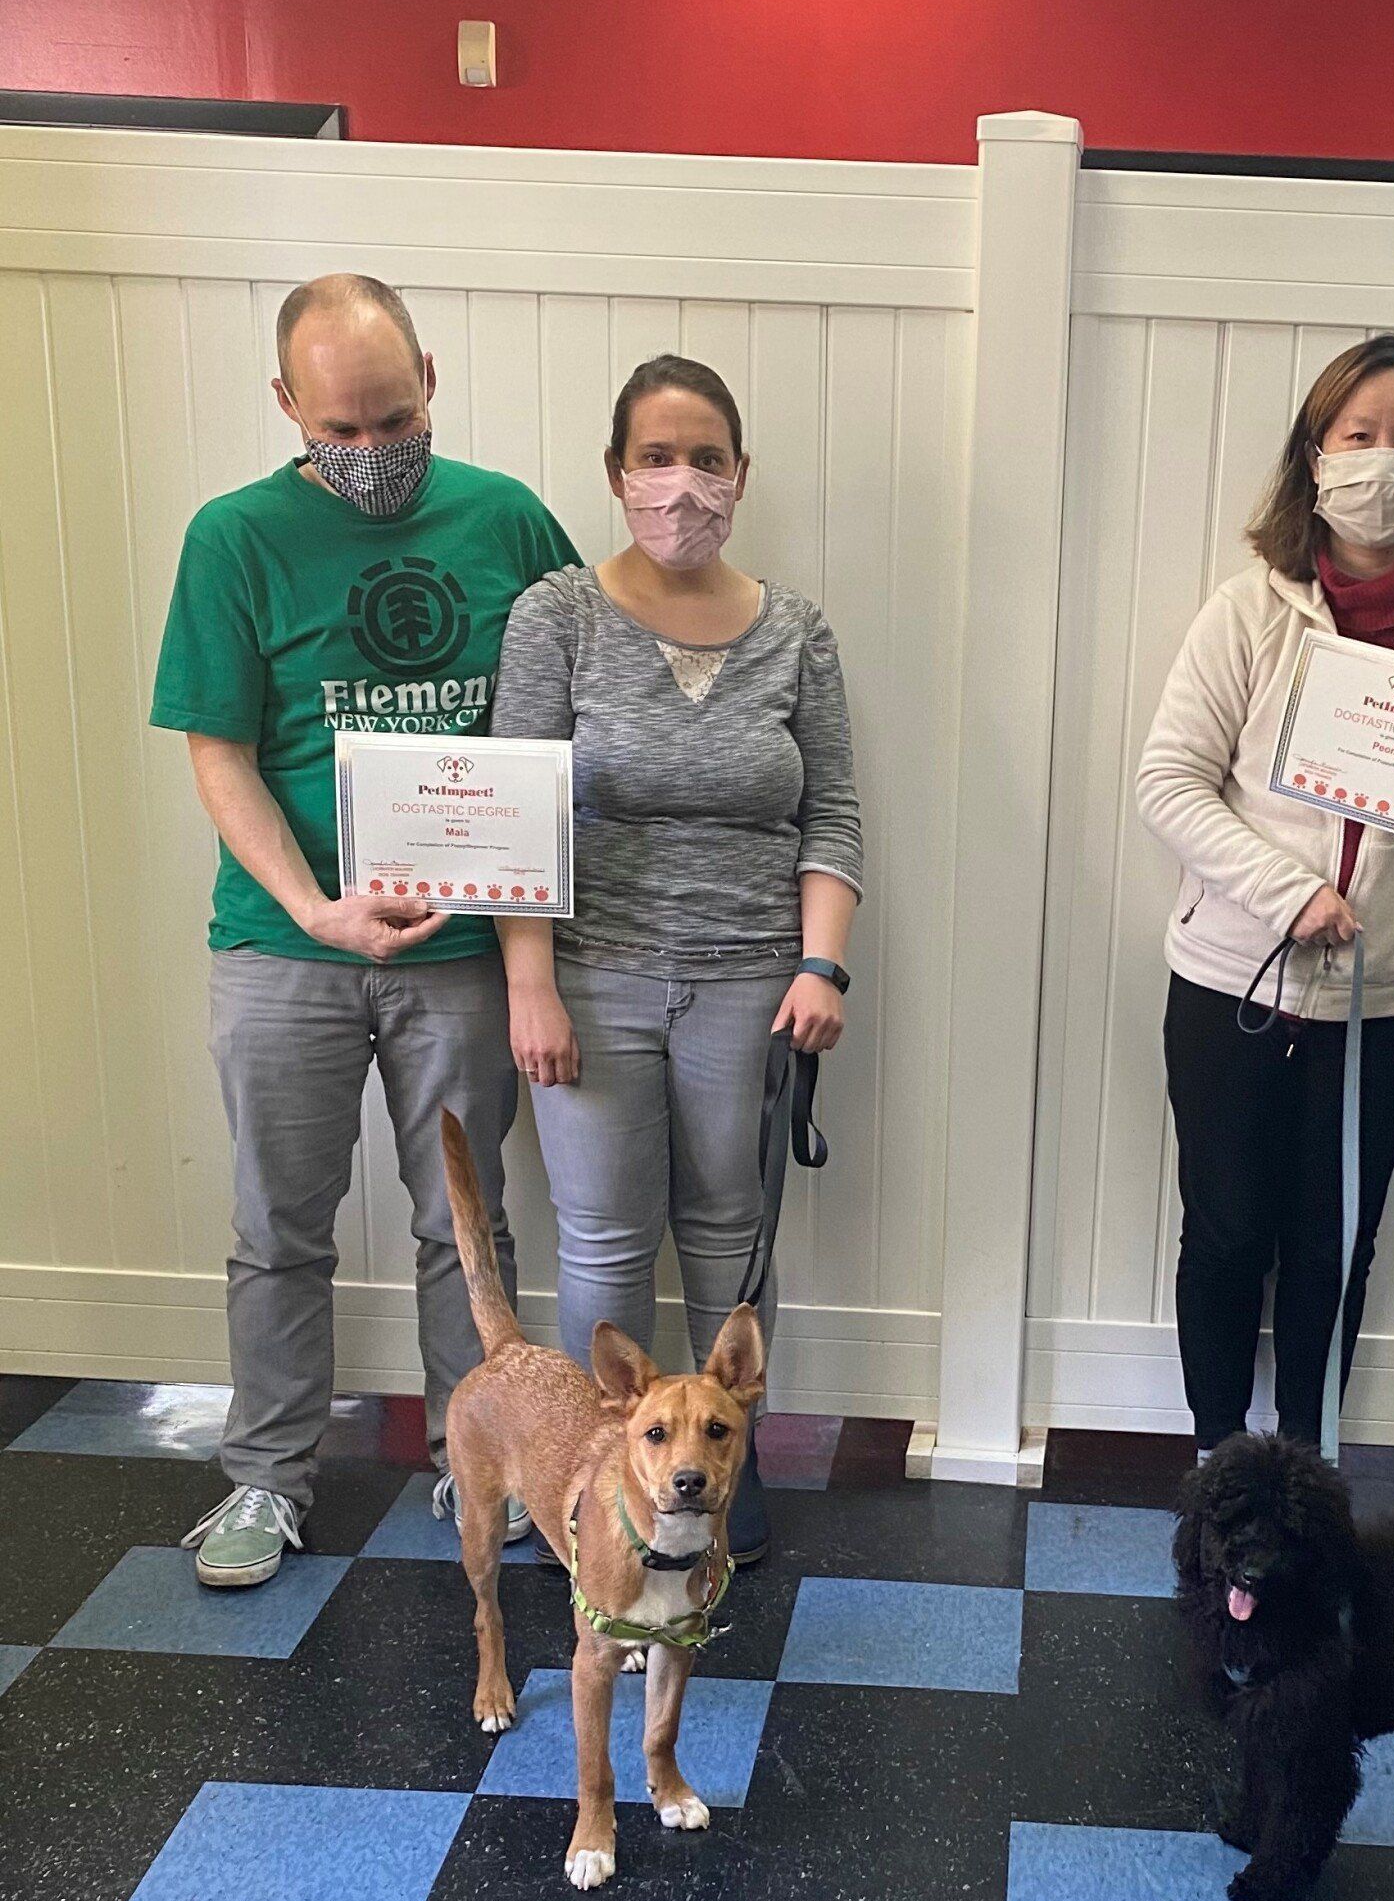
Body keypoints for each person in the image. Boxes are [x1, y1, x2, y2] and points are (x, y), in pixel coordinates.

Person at [150, 273, 579, 1586]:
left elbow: (573, 703)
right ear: (287, 405)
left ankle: (484, 1465)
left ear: (432, 380)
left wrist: (521, 902)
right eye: (346, 428)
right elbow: (220, 753)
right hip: (284, 950)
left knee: (468, 1225)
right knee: (279, 1223)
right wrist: (313, 906)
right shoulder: (234, 538)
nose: (378, 452)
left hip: (460, 952)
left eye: (397, 421)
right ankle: (268, 1480)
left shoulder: (506, 520)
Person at [1137, 334, 1394, 1457]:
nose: (1381, 462)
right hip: (1233, 979)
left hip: (1391, 997)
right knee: (1224, 1235)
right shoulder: (1247, 609)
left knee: (1337, 1244)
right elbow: (1167, 780)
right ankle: (1220, 1459)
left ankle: (1305, 1466)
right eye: (1358, 437)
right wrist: (1286, 894)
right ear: (1314, 457)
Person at [488, 354, 861, 1566]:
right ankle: (614, 1492)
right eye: (657, 458)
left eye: (707, 459)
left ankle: (723, 1481)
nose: (682, 483)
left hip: (753, 977)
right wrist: (529, 984)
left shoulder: (797, 631)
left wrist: (824, 966)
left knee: (726, 1238)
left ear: (741, 475)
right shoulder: (558, 616)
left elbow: (834, 815)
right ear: (616, 474)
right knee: (601, 1243)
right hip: (589, 979)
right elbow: (513, 814)